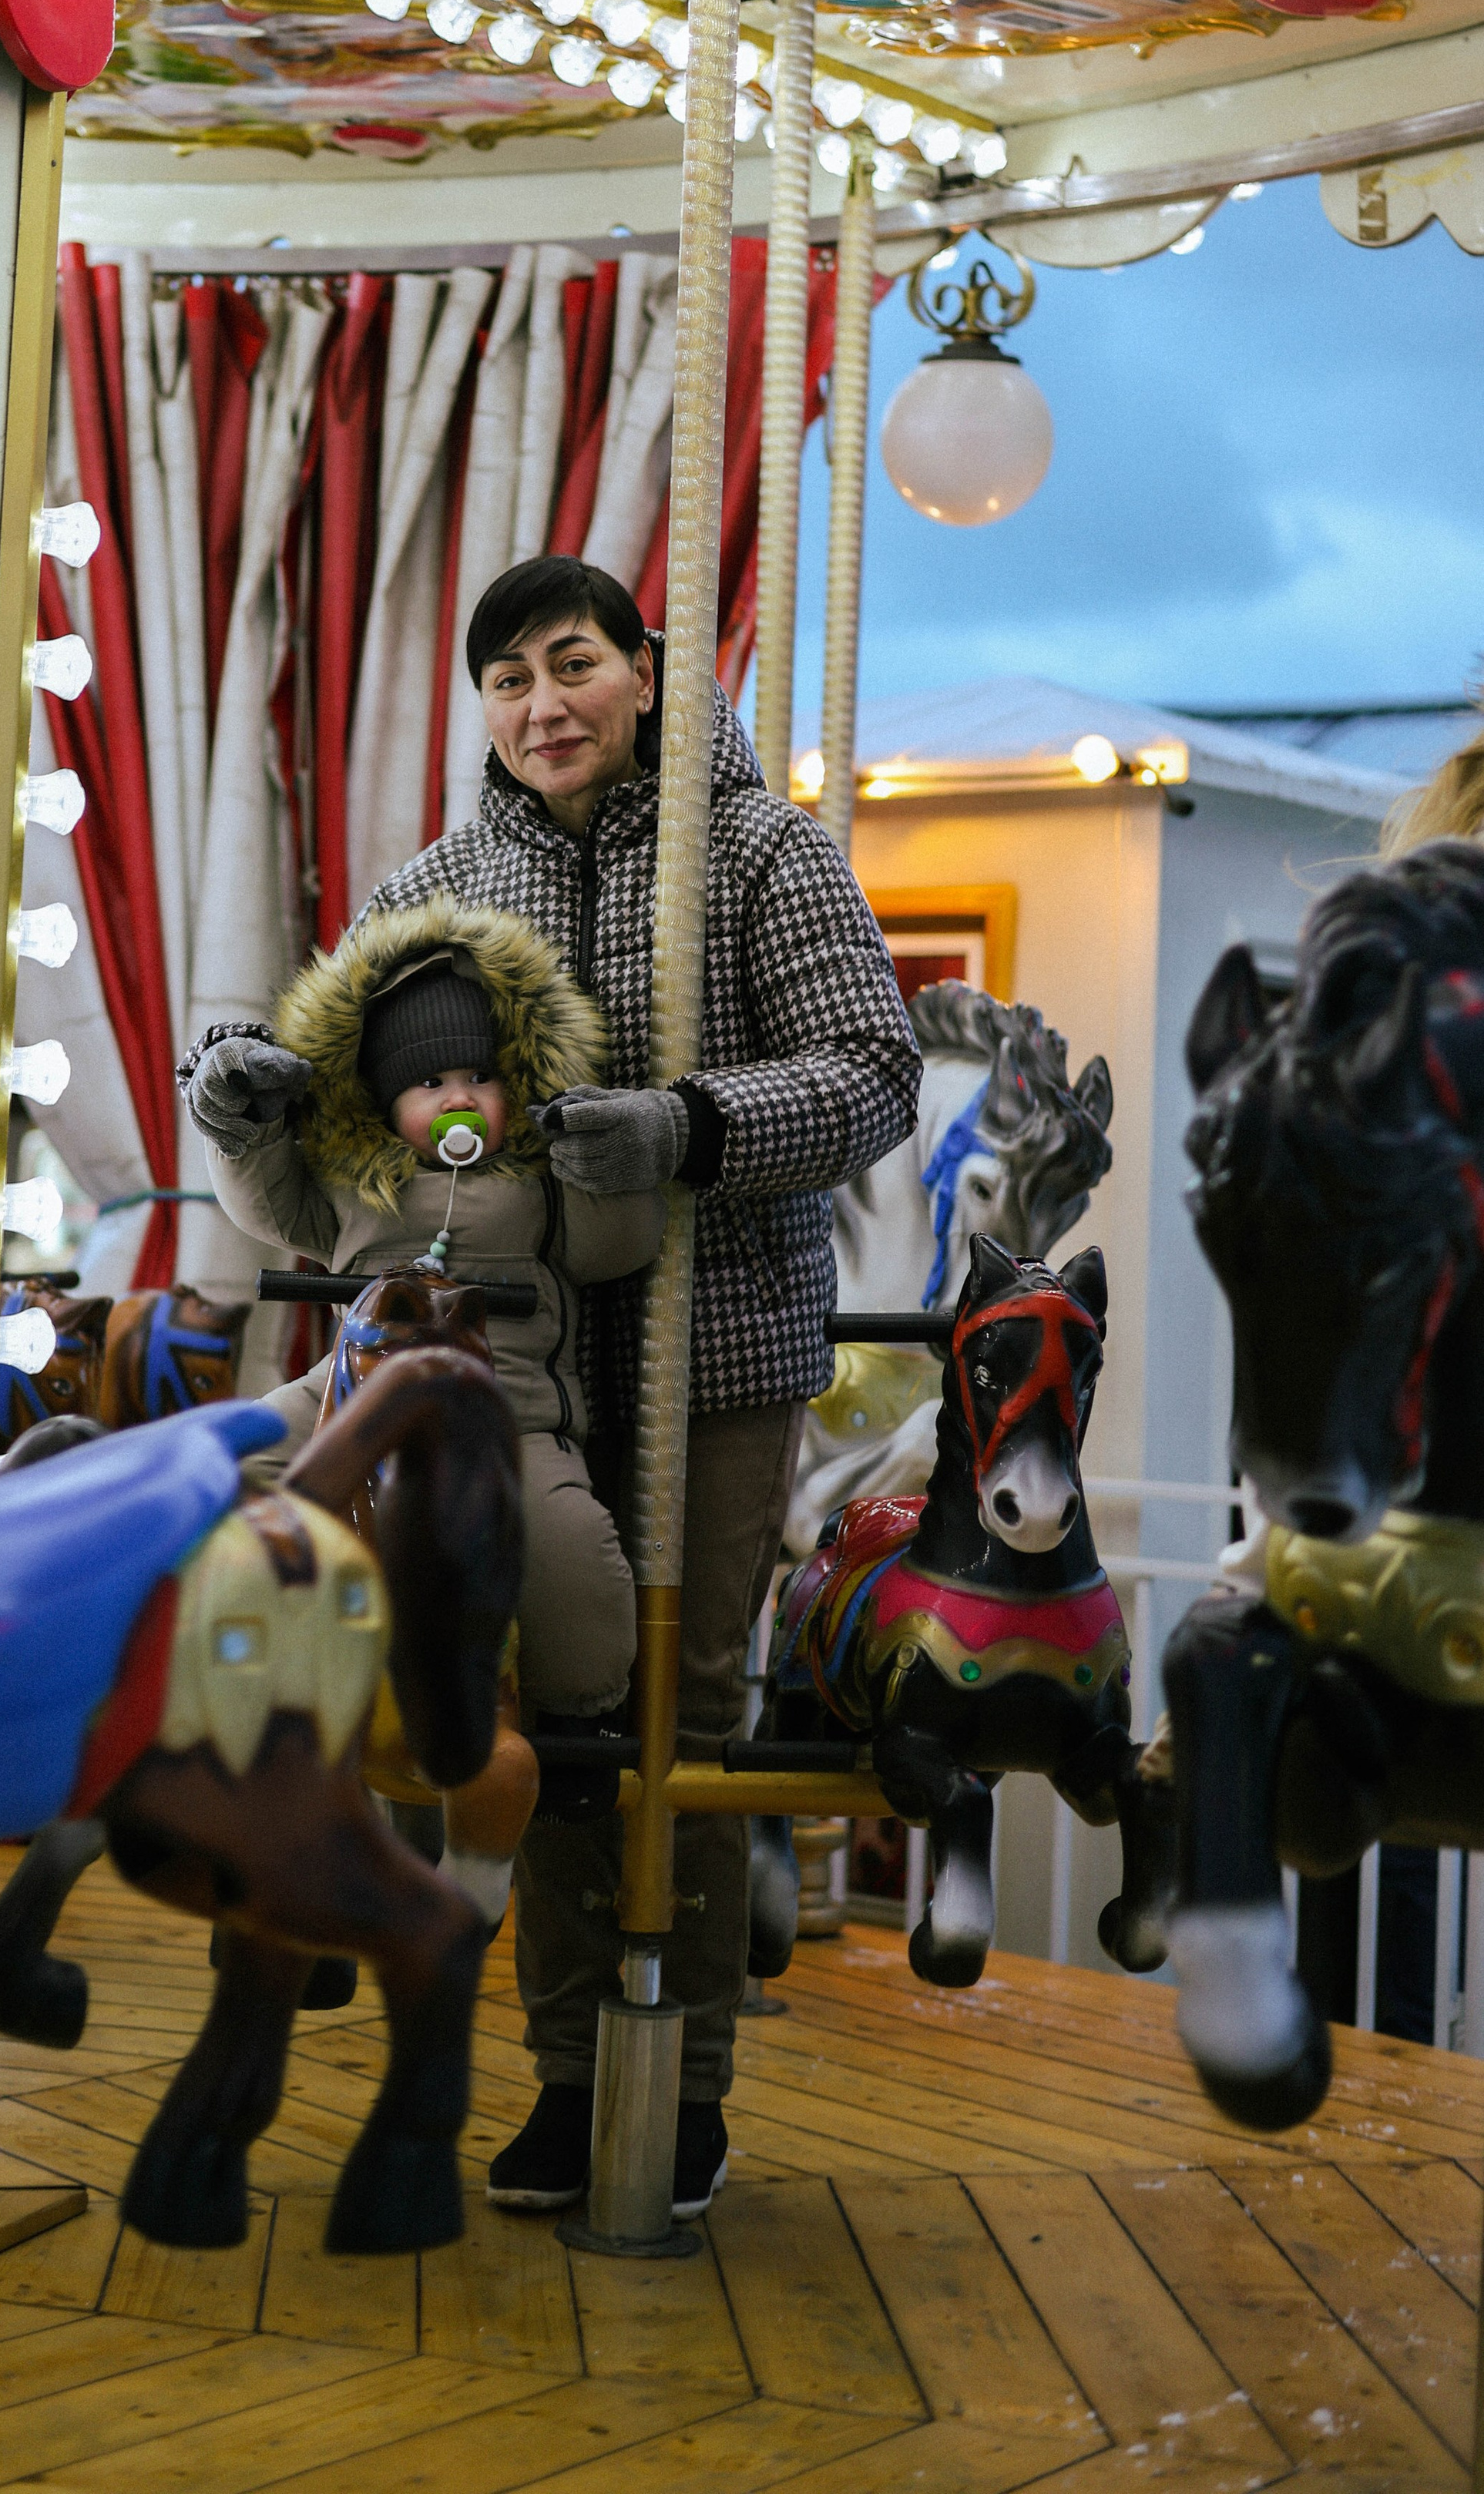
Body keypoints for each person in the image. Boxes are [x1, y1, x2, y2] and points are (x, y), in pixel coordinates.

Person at [354, 555, 921, 2220]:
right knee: (541, 1715)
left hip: (714, 1347)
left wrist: (692, 1127)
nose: (543, 704)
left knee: (687, 1712)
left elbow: (871, 1069)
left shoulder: (757, 850)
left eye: (573, 663)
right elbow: (352, 1076)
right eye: (509, 679)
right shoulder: (441, 885)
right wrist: (255, 1082)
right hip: (512, 1364)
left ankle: (677, 2079)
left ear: (647, 674)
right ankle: (564, 2072)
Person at [180, 896, 666, 1922]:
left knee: (571, 1543)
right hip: (350, 1391)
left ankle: (578, 1716)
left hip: (508, 1406)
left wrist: (604, 1165)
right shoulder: (357, 1180)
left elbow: (612, 1248)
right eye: (429, 1083)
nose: (458, 1099)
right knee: (238, 1459)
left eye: (478, 1078)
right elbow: (266, 1205)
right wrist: (244, 1124)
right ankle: (232, 1652)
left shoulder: (536, 1183)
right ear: (383, 1099)